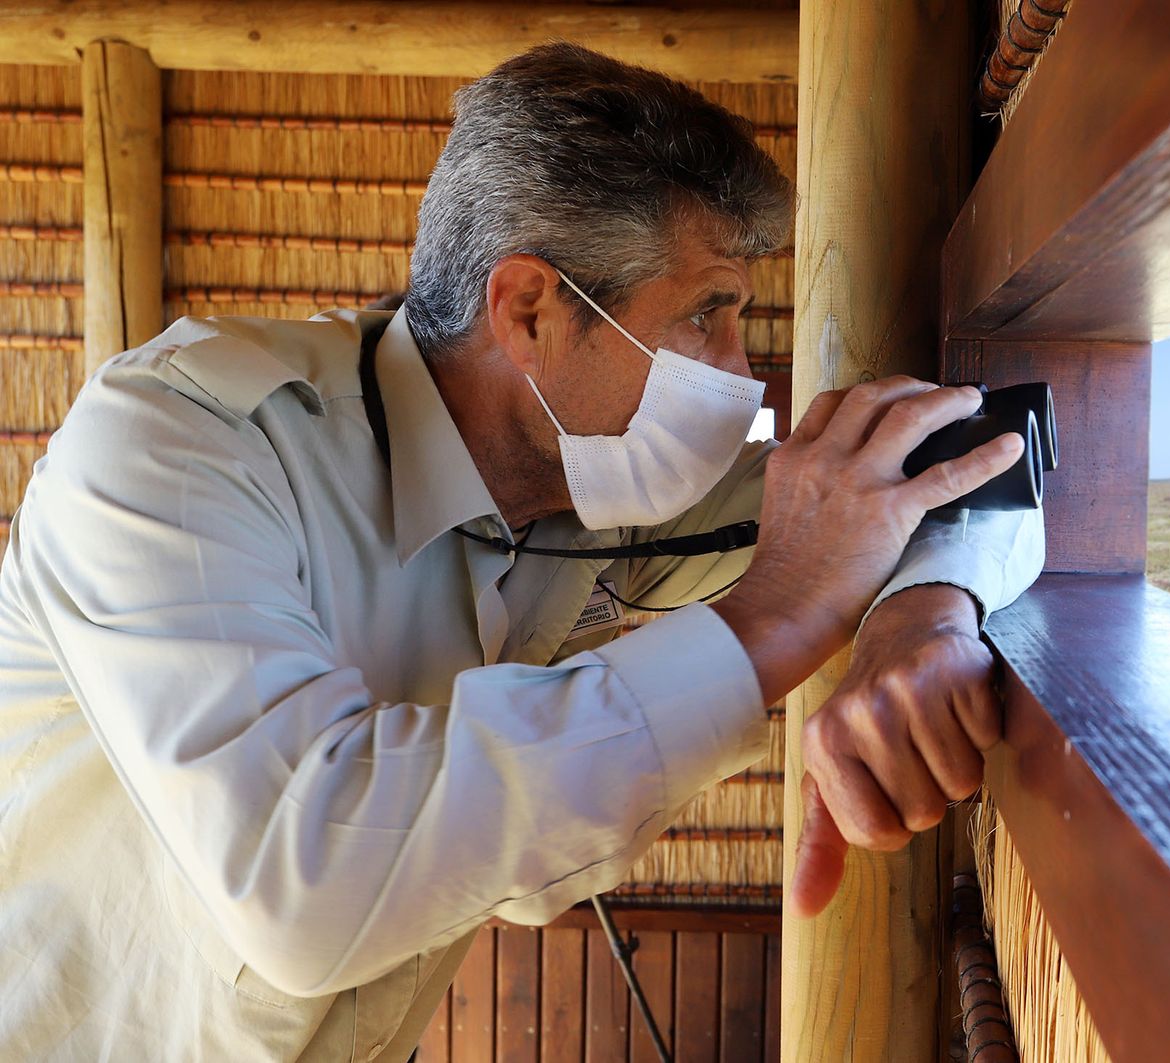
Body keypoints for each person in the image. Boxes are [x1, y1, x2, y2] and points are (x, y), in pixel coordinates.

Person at [0, 43, 1043, 1061]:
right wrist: (777, 616)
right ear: (531, 310)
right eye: (705, 315)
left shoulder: (595, 480)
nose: (741, 371)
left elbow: (977, 463)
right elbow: (302, 884)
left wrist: (924, 614)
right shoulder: (179, 445)